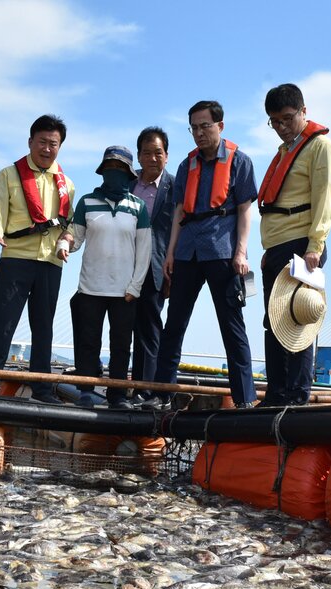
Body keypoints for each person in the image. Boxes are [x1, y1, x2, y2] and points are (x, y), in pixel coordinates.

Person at [144, 101, 257, 410]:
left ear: (220, 126)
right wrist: (170, 253)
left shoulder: (240, 161)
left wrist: (241, 252)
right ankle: (161, 394)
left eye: (205, 126)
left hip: (222, 251)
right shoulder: (186, 165)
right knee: (174, 325)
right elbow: (179, 211)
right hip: (187, 251)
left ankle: (244, 400)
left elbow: (245, 209)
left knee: (232, 327)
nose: (199, 132)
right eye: (193, 127)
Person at [0, 115, 76, 404]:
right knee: (2, 323)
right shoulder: (8, 175)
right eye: (42, 142)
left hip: (51, 262)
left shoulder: (67, 184)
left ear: (60, 147)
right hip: (15, 257)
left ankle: (41, 388)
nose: (47, 149)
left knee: (44, 328)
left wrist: (67, 243)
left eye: (53, 144)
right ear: (30, 142)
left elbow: (71, 225)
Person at [258, 83, 331, 405]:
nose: (281, 127)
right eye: (274, 121)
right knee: (273, 321)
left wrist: (315, 246)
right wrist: (268, 249)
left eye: (287, 119)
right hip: (277, 245)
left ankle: (297, 396)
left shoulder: (320, 147)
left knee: (299, 317)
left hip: (302, 244)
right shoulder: (284, 152)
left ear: (304, 111)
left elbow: (324, 199)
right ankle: (276, 393)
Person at [59, 145, 152, 410]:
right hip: (90, 287)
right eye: (109, 167)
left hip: (125, 291)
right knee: (88, 342)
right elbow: (75, 237)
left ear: (129, 173)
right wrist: (64, 243)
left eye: (120, 168)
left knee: (121, 345)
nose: (114, 172)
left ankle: (117, 395)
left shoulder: (138, 207)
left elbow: (144, 251)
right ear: (102, 171)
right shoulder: (87, 202)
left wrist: (135, 286)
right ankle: (86, 391)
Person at [129, 126, 175, 402]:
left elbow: (179, 230)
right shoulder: (126, 182)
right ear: (138, 156)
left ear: (166, 156)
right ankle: (118, 387)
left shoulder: (176, 186)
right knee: (121, 327)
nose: (152, 158)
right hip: (123, 265)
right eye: (146, 153)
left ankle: (145, 390)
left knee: (148, 329)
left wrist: (172, 271)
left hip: (155, 267)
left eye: (158, 153)